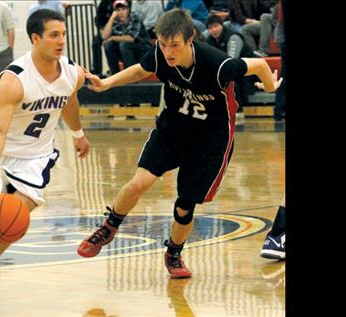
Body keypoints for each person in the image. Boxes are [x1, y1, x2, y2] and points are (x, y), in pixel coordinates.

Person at [76, 8, 281, 278]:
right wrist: (106, 83)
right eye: (162, 44)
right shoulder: (161, 56)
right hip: (173, 127)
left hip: (211, 138)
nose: (168, 51)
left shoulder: (217, 65)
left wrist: (269, 87)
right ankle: (109, 227)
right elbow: (140, 70)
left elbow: (259, 65)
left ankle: (173, 253)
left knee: (185, 205)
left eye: (174, 45)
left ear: (190, 39)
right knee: (139, 182)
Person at [0, 9, 91, 305]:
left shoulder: (72, 73)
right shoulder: (14, 79)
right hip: (2, 152)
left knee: (15, 214)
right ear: (35, 38)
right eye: (54, 35)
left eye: (63, 34)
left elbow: (69, 103)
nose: (61, 41)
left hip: (36, 157)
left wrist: (78, 134)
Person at [205, 13, 257, 122]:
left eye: (216, 26)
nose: (214, 30)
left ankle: (238, 111)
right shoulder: (209, 41)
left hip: (248, 74)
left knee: (229, 77)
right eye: (210, 28)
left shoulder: (233, 37)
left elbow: (232, 63)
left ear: (222, 25)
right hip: (228, 71)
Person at [102, 0, 151, 75]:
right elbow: (104, 36)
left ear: (128, 10)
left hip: (143, 50)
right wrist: (111, 18)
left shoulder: (135, 17)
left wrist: (113, 38)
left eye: (123, 9)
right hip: (125, 51)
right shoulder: (115, 20)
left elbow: (131, 38)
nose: (121, 12)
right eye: (118, 10)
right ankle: (115, 76)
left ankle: (130, 76)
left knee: (124, 44)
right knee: (108, 45)